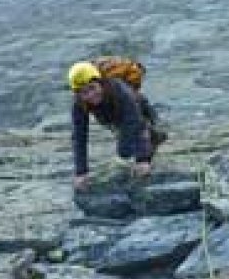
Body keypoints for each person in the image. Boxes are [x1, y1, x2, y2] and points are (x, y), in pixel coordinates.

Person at [68, 60, 165, 191]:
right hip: (110, 116)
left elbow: (137, 124)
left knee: (128, 147)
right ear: (78, 94)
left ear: (101, 83)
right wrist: (81, 172)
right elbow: (79, 137)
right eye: (84, 92)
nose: (91, 95)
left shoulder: (121, 91)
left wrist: (143, 160)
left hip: (139, 109)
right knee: (125, 146)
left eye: (92, 88)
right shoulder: (79, 104)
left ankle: (155, 140)